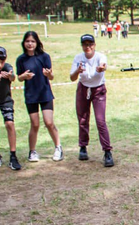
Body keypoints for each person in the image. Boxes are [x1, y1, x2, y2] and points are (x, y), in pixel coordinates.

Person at [16, 31, 63, 162]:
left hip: (45, 93)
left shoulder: (44, 57)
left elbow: (51, 76)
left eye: (32, 41)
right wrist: (23, 77)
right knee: (35, 124)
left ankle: (58, 147)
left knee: (49, 122)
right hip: (31, 95)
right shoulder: (21, 59)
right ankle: (32, 151)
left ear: (37, 43)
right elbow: (19, 78)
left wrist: (48, 74)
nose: (30, 44)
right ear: (24, 43)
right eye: (27, 41)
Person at [70, 34, 113, 167]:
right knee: (83, 119)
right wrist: (77, 71)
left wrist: (102, 68)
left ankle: (107, 151)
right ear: (82, 46)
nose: (88, 47)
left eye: (90, 44)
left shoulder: (100, 56)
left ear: (94, 45)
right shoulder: (78, 58)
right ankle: (83, 147)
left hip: (98, 90)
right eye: (85, 45)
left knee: (100, 121)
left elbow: (103, 65)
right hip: (83, 89)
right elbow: (72, 77)